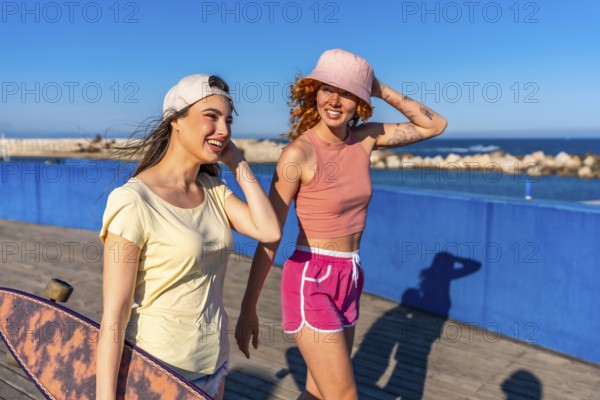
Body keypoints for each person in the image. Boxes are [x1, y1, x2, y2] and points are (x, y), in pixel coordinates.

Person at [235, 49, 448, 399]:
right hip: (311, 279)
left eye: (348, 92)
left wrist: (378, 87)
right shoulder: (298, 155)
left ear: (360, 102)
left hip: (349, 275)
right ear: (313, 93)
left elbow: (434, 124)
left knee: (318, 393)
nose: (334, 100)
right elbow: (269, 234)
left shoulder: (365, 139)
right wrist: (248, 308)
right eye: (327, 89)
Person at [96, 74, 280, 400]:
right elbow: (115, 313)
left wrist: (237, 161)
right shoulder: (133, 201)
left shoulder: (213, 191)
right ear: (175, 121)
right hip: (157, 369)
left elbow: (269, 230)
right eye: (211, 116)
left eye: (228, 120)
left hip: (214, 363)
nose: (223, 129)